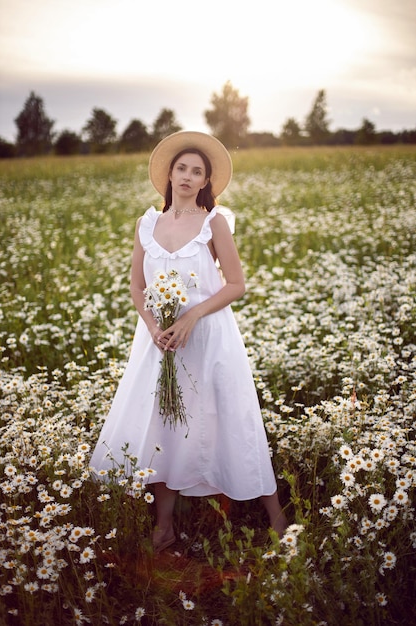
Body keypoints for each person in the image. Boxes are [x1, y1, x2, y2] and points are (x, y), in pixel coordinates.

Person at [89, 131, 288, 552]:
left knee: (232, 416)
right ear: (170, 175)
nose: (188, 176)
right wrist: (153, 328)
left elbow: (236, 285)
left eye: (198, 172)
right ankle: (164, 527)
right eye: (182, 168)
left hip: (210, 337)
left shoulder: (214, 222)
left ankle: (277, 519)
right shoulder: (147, 223)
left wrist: (193, 317)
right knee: (165, 423)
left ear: (205, 183)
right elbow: (136, 285)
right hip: (160, 341)